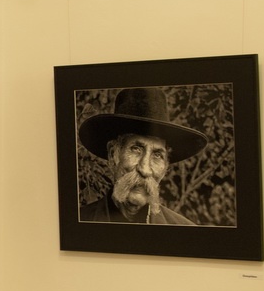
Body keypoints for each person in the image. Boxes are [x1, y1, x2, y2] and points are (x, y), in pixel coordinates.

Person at [77, 87, 208, 225]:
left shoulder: (184, 230)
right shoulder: (78, 223)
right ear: (112, 154)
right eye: (136, 149)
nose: (145, 170)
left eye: (157, 155)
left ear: (165, 167)